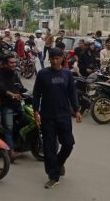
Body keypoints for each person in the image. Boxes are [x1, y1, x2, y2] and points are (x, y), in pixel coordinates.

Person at [32, 48, 82, 189]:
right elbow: (36, 94)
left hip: (64, 115)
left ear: (62, 58)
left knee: (68, 143)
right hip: (47, 116)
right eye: (52, 58)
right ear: (49, 59)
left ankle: (58, 163)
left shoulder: (67, 74)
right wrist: (36, 111)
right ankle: (53, 176)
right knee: (49, 148)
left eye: (57, 58)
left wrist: (77, 109)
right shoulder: (43, 74)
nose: (54, 61)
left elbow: (72, 93)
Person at [0, 53, 26, 159]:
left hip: (17, 104)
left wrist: (30, 93)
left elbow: (21, 87)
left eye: (15, 62)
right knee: (9, 127)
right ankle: (10, 151)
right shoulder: (0, 75)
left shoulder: (15, 74)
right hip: (7, 105)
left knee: (25, 120)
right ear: (4, 64)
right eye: (11, 63)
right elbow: (1, 88)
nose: (14, 64)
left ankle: (19, 142)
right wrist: (11, 94)